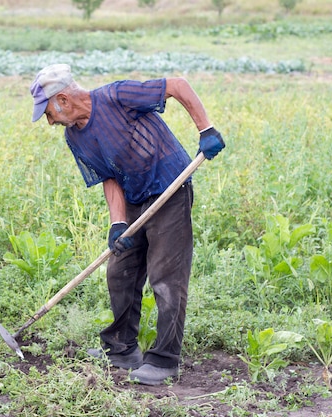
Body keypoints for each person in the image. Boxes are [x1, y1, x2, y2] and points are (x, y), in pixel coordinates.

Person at [29, 64, 225, 385]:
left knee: (166, 277)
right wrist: (118, 222)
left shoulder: (118, 96)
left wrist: (206, 130)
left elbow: (177, 85)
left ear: (63, 99)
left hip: (169, 188)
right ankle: (121, 349)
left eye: (48, 112)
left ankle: (164, 360)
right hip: (133, 198)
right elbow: (109, 176)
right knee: (120, 272)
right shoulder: (74, 136)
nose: (48, 121)